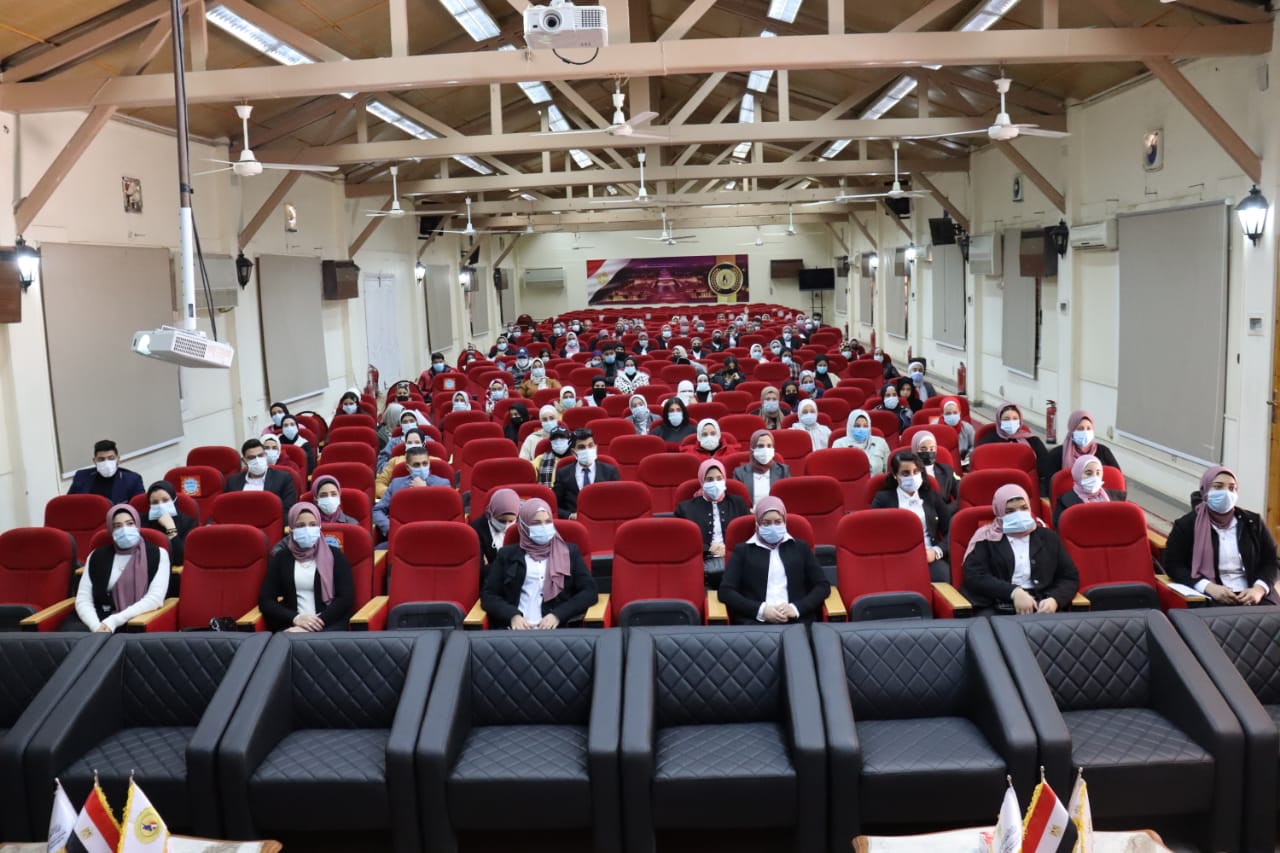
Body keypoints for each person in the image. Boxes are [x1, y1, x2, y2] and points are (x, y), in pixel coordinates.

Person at [1164, 466, 1279, 606]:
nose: (1226, 493)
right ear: (1205, 490)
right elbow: (1173, 565)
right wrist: (1206, 586)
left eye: (1231, 488)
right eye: (1218, 487)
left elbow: (1272, 561)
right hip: (1211, 596)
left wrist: (1259, 589)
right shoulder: (1186, 525)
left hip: (1253, 594)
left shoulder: (1253, 522)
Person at [961, 484, 1079, 616]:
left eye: (1023, 508)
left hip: (1042, 606)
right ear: (999, 512)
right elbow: (975, 577)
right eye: (1010, 511)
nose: (1018, 514)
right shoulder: (986, 538)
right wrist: (1013, 592)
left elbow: (1069, 577)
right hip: (997, 605)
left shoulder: (1048, 537)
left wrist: (1055, 599)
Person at [480, 498, 598, 630]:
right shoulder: (506, 555)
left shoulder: (569, 553)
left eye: (547, 522)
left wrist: (558, 615)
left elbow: (590, 592)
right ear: (524, 526)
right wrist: (512, 615)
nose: (543, 527)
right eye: (536, 523)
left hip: (558, 630)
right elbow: (489, 596)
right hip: (515, 630)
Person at [719, 497, 830, 625]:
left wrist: (796, 608)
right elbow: (726, 591)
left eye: (778, 522)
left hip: (797, 622)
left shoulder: (800, 548)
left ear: (785, 522)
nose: (773, 527)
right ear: (757, 524)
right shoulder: (742, 551)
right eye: (766, 523)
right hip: (754, 623)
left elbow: (822, 586)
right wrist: (761, 610)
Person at [67, 504, 171, 632]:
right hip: (95, 620)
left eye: (130, 523)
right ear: (111, 530)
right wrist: (96, 626)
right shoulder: (96, 555)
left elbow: (155, 599)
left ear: (137, 525)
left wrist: (114, 621)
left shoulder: (158, 554)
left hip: (134, 619)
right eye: (117, 526)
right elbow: (83, 599)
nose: (125, 529)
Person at [258, 502, 355, 632]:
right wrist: (295, 618)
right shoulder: (282, 558)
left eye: (312, 525)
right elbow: (266, 600)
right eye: (300, 526)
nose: (307, 530)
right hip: (291, 626)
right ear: (291, 529)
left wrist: (315, 624)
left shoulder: (335, 555)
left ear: (319, 526)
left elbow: (345, 598)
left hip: (329, 625)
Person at [871, 451, 952, 583]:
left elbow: (952, 530)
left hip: (928, 556)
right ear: (895, 475)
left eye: (916, 471)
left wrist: (936, 551)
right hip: (895, 558)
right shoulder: (883, 499)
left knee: (943, 576)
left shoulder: (931, 496)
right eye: (905, 473)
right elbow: (873, 534)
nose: (912, 477)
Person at [675, 459, 750, 589]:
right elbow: (682, 542)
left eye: (719, 478)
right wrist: (708, 549)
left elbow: (747, 534)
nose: (715, 483)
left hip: (734, 559)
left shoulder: (738, 503)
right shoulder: (685, 508)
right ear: (702, 481)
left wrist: (729, 549)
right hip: (701, 562)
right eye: (709, 479)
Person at [370, 446, 452, 537]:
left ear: (429, 464)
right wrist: (391, 528)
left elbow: (447, 513)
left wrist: (425, 491)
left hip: (433, 533)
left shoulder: (442, 484)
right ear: (408, 467)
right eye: (417, 465)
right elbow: (377, 510)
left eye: (425, 464)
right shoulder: (396, 484)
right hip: (401, 535)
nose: (421, 468)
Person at [553, 428, 620, 520]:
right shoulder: (563, 473)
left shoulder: (610, 471)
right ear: (573, 452)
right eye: (581, 447)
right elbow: (554, 505)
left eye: (590, 445)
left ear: (595, 447)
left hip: (602, 521)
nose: (587, 450)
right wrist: (569, 516)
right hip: (575, 523)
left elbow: (618, 502)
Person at [1042, 409, 1122, 484]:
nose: (1085, 432)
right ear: (1072, 430)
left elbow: (1118, 478)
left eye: (1088, 428)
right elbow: (1051, 485)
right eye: (1080, 429)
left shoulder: (1103, 451)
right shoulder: (1058, 454)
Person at [1051, 454, 1126, 529]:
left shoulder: (1116, 497)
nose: (1094, 477)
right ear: (1078, 474)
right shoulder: (1064, 501)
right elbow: (1061, 528)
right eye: (1088, 473)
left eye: (1098, 473)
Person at [225, 438, 298, 514]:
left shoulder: (283, 479)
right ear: (244, 460)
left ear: (265, 455)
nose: (257, 460)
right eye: (252, 457)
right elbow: (227, 508)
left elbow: (287, 510)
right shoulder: (233, 482)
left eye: (260, 455)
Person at [976, 403, 1049, 472]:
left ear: (1020, 421)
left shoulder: (1032, 440)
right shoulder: (989, 441)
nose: (1011, 422)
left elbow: (1045, 464)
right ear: (999, 421)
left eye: (1015, 419)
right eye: (1006, 419)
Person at [67, 440, 145, 502]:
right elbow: (69, 504)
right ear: (94, 461)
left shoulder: (133, 480)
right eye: (101, 459)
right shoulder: (81, 477)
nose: (106, 462)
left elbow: (140, 508)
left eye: (111, 458)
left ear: (118, 459)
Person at [142, 481, 197, 566]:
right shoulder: (142, 521)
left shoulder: (187, 522)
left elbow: (180, 559)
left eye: (165, 500)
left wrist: (170, 528)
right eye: (155, 502)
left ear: (174, 500)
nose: (161, 506)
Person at [732, 430, 791, 507]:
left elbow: (788, 499)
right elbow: (737, 503)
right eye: (760, 446)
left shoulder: (784, 471)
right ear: (752, 448)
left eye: (769, 446)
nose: (765, 450)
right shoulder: (739, 473)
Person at [471, 487, 520, 570]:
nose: (506, 525)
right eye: (501, 521)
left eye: (511, 521)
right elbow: (480, 569)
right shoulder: (476, 529)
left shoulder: (522, 527)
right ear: (491, 514)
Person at [833, 409, 891, 474]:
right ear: (850, 426)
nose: (861, 429)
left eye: (865, 426)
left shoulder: (880, 443)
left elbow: (889, 471)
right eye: (857, 426)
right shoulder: (839, 445)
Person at [911, 430, 960, 504]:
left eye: (931, 449)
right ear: (915, 450)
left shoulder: (946, 470)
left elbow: (961, 497)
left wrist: (946, 510)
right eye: (923, 449)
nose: (928, 452)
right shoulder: (908, 472)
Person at [939, 397, 976, 462]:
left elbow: (975, 446)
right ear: (942, 414)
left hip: (964, 462)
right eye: (948, 413)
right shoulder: (935, 427)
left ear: (959, 413)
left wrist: (966, 458)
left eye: (955, 412)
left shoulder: (967, 427)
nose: (952, 415)